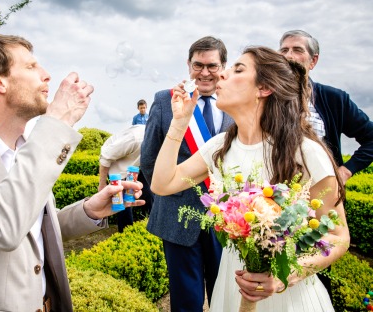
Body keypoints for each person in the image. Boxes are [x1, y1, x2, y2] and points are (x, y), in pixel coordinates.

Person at [0, 34, 145, 312]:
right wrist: (55, 122)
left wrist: (90, 211)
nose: (46, 75)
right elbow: (1, 227)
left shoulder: (25, 150)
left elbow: (31, 230)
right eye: (31, 67)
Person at [150, 46, 350, 312]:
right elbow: (162, 184)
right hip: (232, 287)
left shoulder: (306, 152)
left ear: (264, 88)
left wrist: (283, 277)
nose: (222, 75)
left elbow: (338, 237)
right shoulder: (220, 146)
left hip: (288, 297)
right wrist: (179, 122)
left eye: (237, 69)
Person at [141, 36, 234, 311]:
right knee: (185, 301)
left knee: (225, 294)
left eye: (212, 66)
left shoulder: (234, 102)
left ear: (223, 66)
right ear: (188, 65)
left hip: (227, 218)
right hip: (177, 215)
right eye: (198, 65)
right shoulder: (165, 101)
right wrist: (169, 196)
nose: (205, 73)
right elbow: (149, 160)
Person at [279, 30, 373, 185]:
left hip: (322, 194)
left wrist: (345, 171)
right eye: (284, 50)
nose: (289, 56)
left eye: (297, 50)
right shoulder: (265, 98)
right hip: (274, 195)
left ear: (313, 61)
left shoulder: (334, 99)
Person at [98, 124, 153, 232]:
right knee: (123, 203)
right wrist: (102, 184)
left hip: (136, 164)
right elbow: (105, 157)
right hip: (116, 163)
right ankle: (125, 232)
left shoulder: (160, 140)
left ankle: (151, 226)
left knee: (149, 193)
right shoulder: (134, 138)